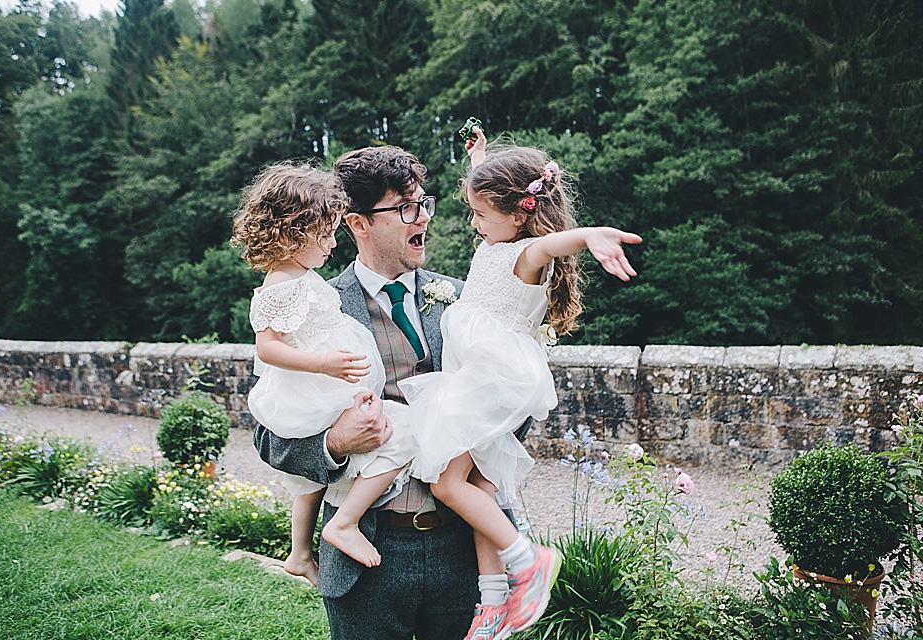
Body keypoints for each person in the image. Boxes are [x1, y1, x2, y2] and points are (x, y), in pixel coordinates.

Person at [399, 128, 642, 639]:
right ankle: (492, 605)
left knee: (445, 482)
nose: (474, 223)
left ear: (520, 213)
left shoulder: (526, 252)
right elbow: (493, 194)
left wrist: (588, 235)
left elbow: (553, 240)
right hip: (480, 375)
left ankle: (526, 559)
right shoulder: (501, 234)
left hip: (489, 377)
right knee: (479, 486)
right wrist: (481, 160)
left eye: (481, 215)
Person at [252, 146, 478, 640]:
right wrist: (333, 444)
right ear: (355, 223)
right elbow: (269, 435)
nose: (421, 218)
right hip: (367, 558)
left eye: (423, 203)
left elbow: (514, 409)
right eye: (404, 208)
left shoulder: (462, 297)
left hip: (463, 547)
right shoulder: (313, 305)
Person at [232, 162, 416, 586]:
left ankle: (299, 552)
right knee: (402, 429)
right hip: (318, 386)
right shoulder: (279, 283)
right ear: (294, 232)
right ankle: (344, 523)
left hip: (327, 382)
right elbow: (268, 347)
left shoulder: (303, 276)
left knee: (305, 481)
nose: (334, 244)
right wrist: (324, 365)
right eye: (325, 235)